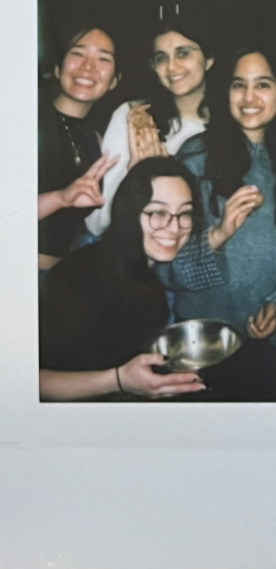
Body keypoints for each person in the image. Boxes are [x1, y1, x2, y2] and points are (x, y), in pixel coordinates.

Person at [159, 49, 276, 401]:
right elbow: (164, 269)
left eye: (263, 85)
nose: (250, 97)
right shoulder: (195, 157)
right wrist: (218, 235)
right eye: (239, 85)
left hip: (271, 350)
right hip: (200, 347)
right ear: (225, 93)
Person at [39, 157, 207, 401]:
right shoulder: (82, 277)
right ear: (130, 212)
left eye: (185, 213)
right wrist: (118, 380)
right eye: (158, 212)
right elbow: (33, 383)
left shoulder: (147, 277)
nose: (174, 228)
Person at [85, 15, 214, 237]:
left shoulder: (224, 131)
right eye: (161, 58)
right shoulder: (132, 117)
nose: (172, 66)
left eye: (183, 53)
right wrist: (134, 173)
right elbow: (96, 223)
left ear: (208, 59)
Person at [38, 27, 120, 268]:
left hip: (63, 278)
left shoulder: (94, 138)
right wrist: (60, 198)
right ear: (57, 68)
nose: (88, 67)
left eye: (103, 58)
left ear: (114, 80)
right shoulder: (26, 122)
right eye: (78, 53)